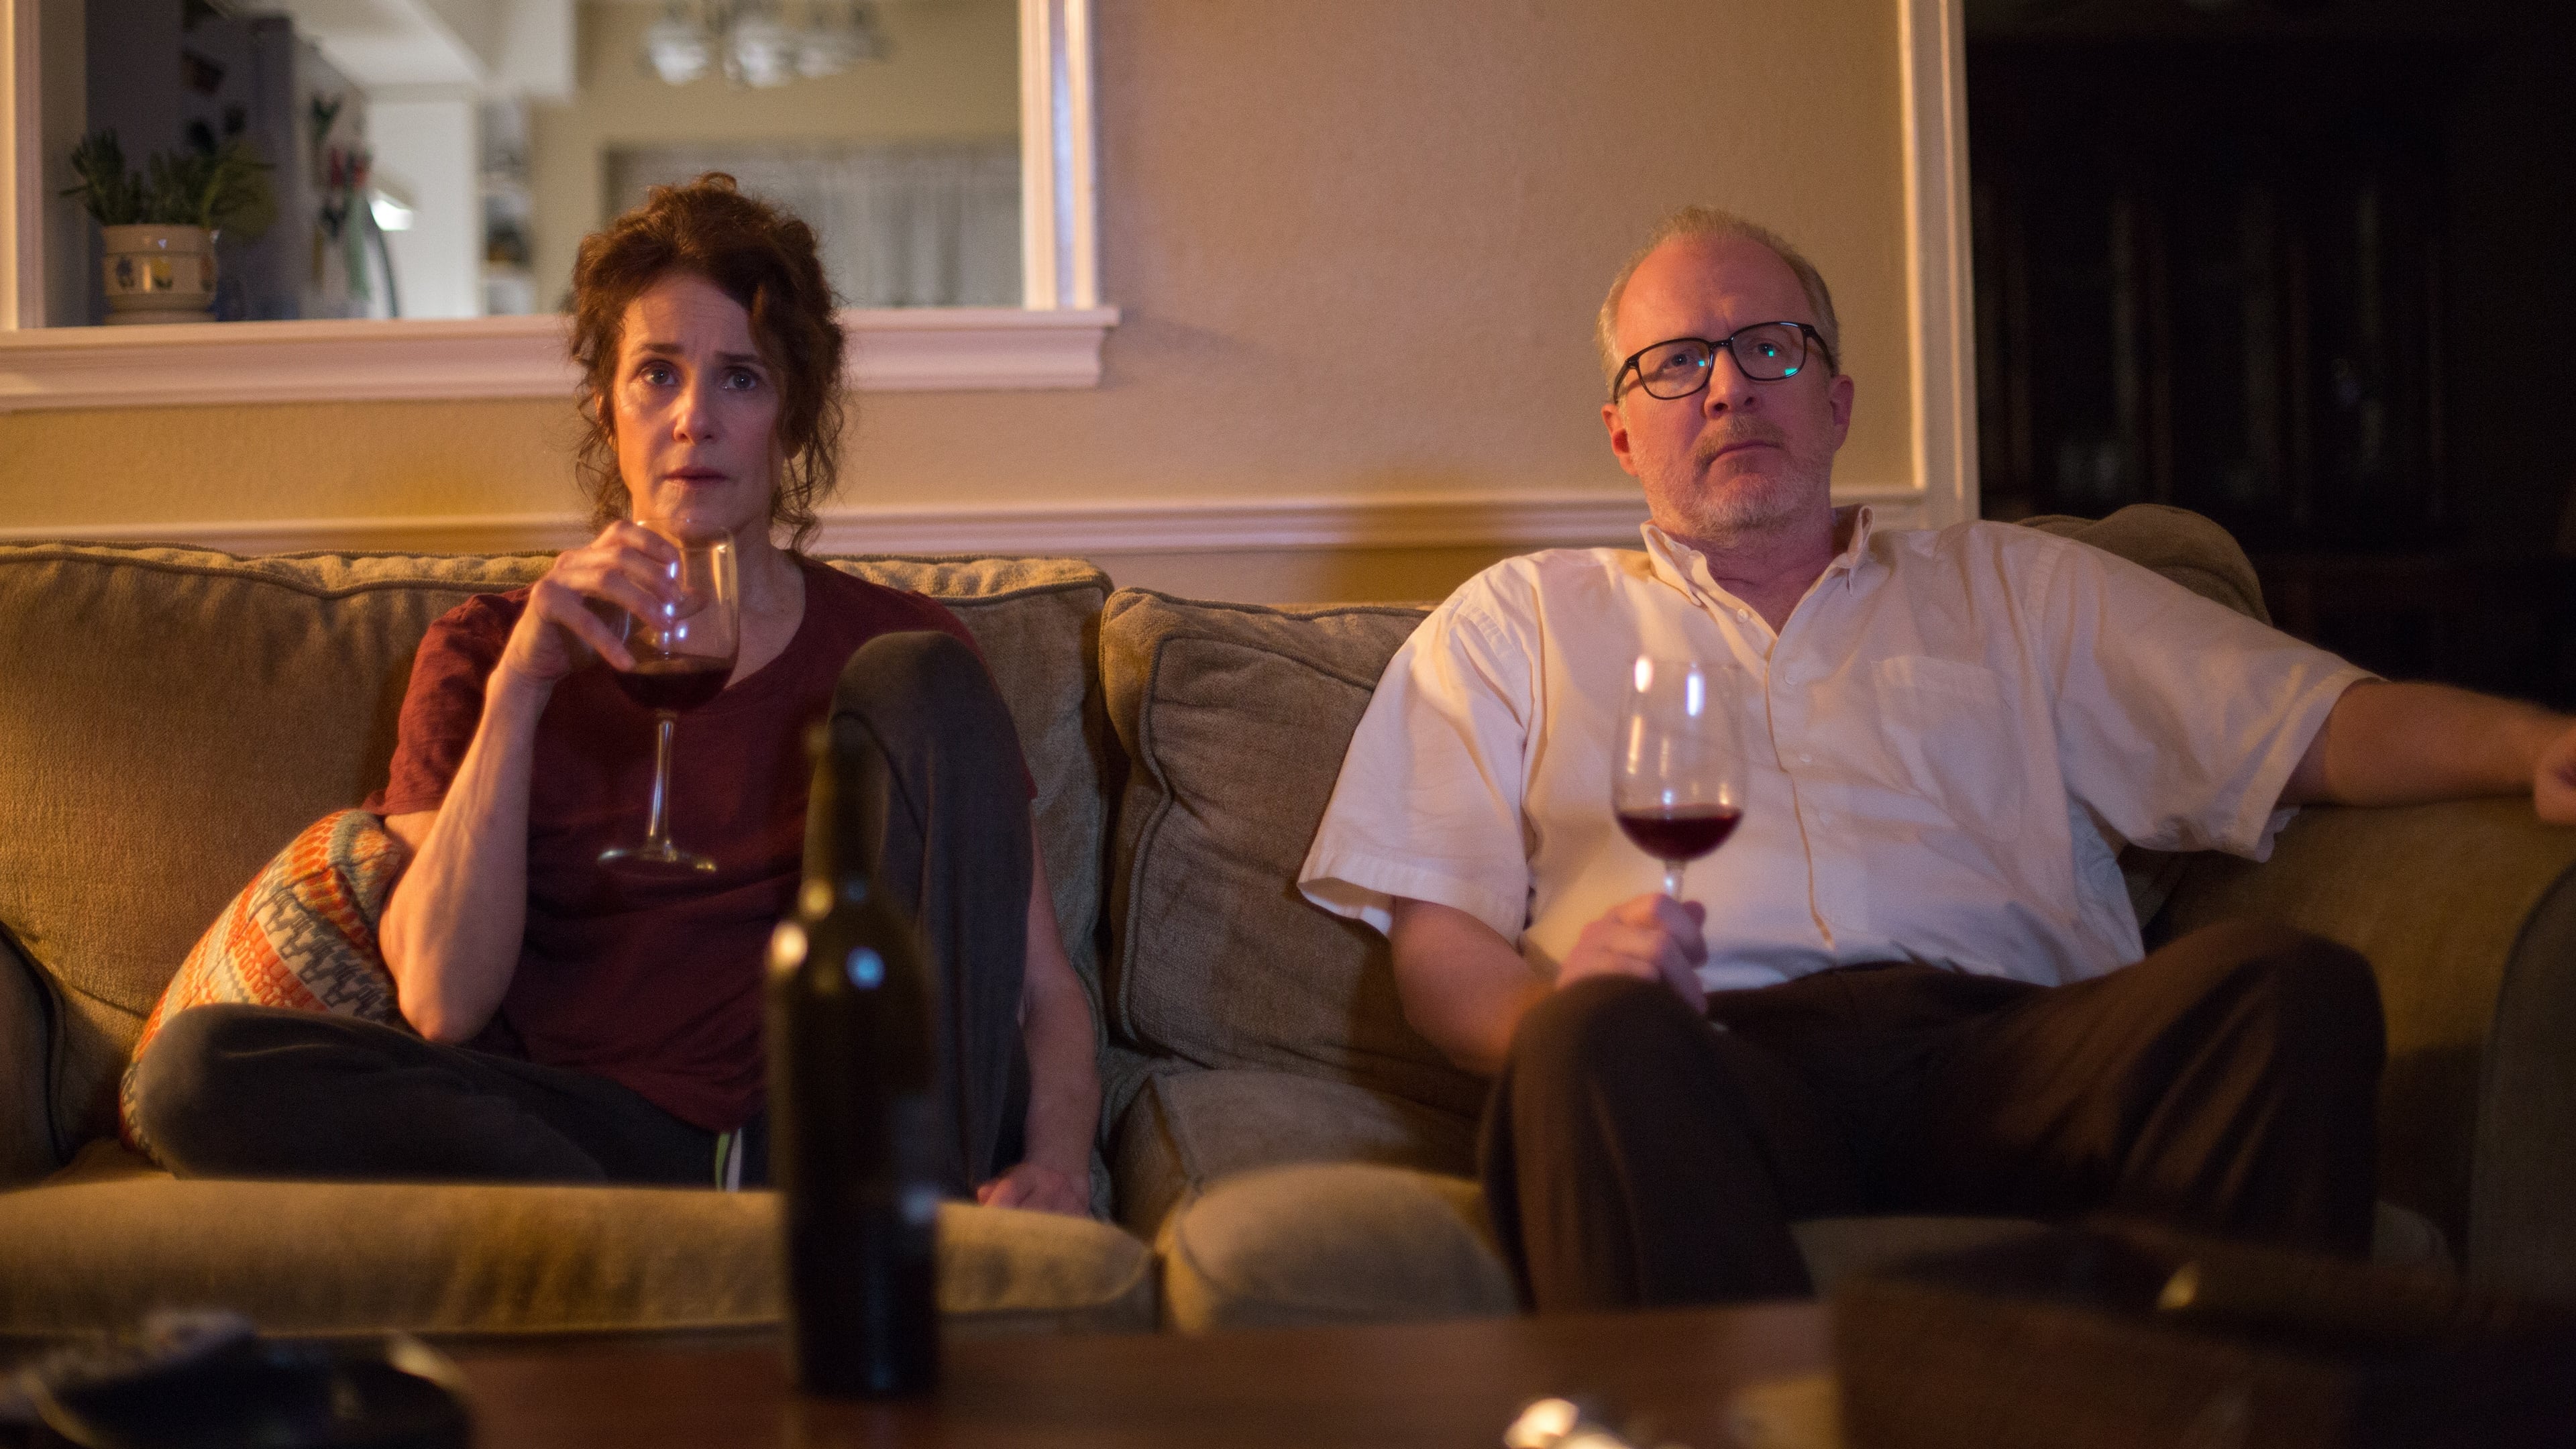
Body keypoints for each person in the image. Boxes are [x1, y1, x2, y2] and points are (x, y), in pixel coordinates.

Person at [1297, 205, 2576, 1309]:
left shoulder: (2019, 587)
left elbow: (2313, 723)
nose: (1728, 388)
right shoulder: (1515, 623)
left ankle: (2187, 1411)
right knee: (1586, 1050)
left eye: (1769, 346)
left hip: (2013, 1057)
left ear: (1836, 401)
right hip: (1704, 1065)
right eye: (1676, 363)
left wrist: (2540, 743)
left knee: (2286, 990)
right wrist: (1564, 1009)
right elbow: (1443, 953)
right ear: (1624, 433)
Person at [133, 176, 1099, 1214]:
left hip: (834, 1120)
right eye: (657, 375)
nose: (694, 419)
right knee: (197, 1072)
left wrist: (1057, 1168)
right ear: (608, 407)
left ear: (792, 419)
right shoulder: (484, 648)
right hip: (576, 1124)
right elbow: (444, 1001)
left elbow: (1042, 990)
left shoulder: (898, 643)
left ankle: (779, 1211)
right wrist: (522, 689)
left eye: (741, 379)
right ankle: (647, 1229)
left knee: (920, 672)